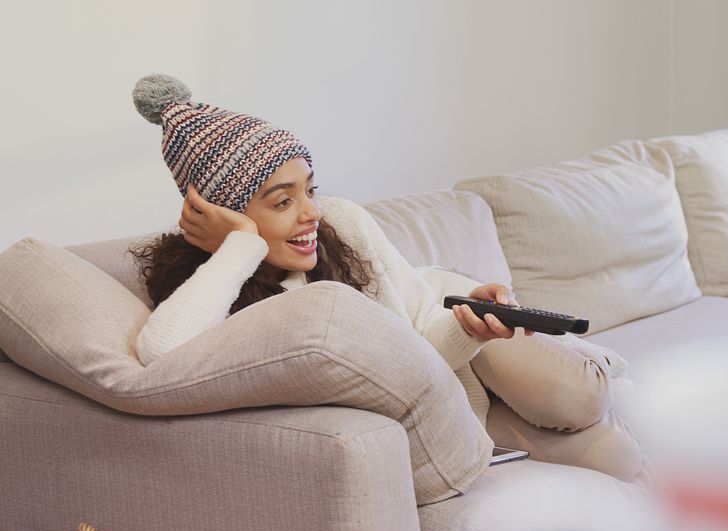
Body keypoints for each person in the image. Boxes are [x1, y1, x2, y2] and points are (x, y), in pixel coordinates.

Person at [129, 74, 642, 482]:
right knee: (614, 460)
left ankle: (594, 360)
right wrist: (240, 247)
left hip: (445, 316)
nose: (311, 213)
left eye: (311, 189)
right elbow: (162, 354)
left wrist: (469, 327)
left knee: (578, 399)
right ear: (223, 216)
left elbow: (418, 329)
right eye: (283, 201)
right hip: (442, 395)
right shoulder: (211, 282)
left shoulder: (342, 224)